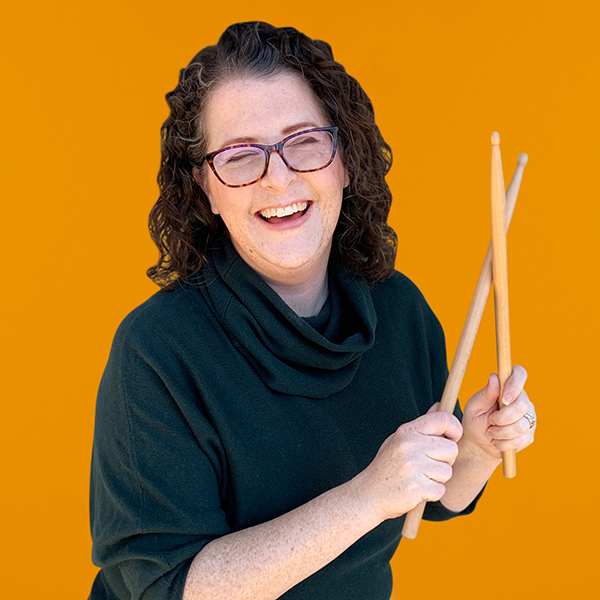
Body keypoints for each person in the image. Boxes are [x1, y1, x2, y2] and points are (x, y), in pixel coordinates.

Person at [89, 21, 536, 600]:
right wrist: (367, 492)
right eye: (241, 156)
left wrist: (474, 447)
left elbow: (427, 502)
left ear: (344, 161)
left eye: (303, 142)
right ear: (206, 189)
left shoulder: (399, 311)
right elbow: (169, 589)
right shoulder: (155, 353)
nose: (279, 178)